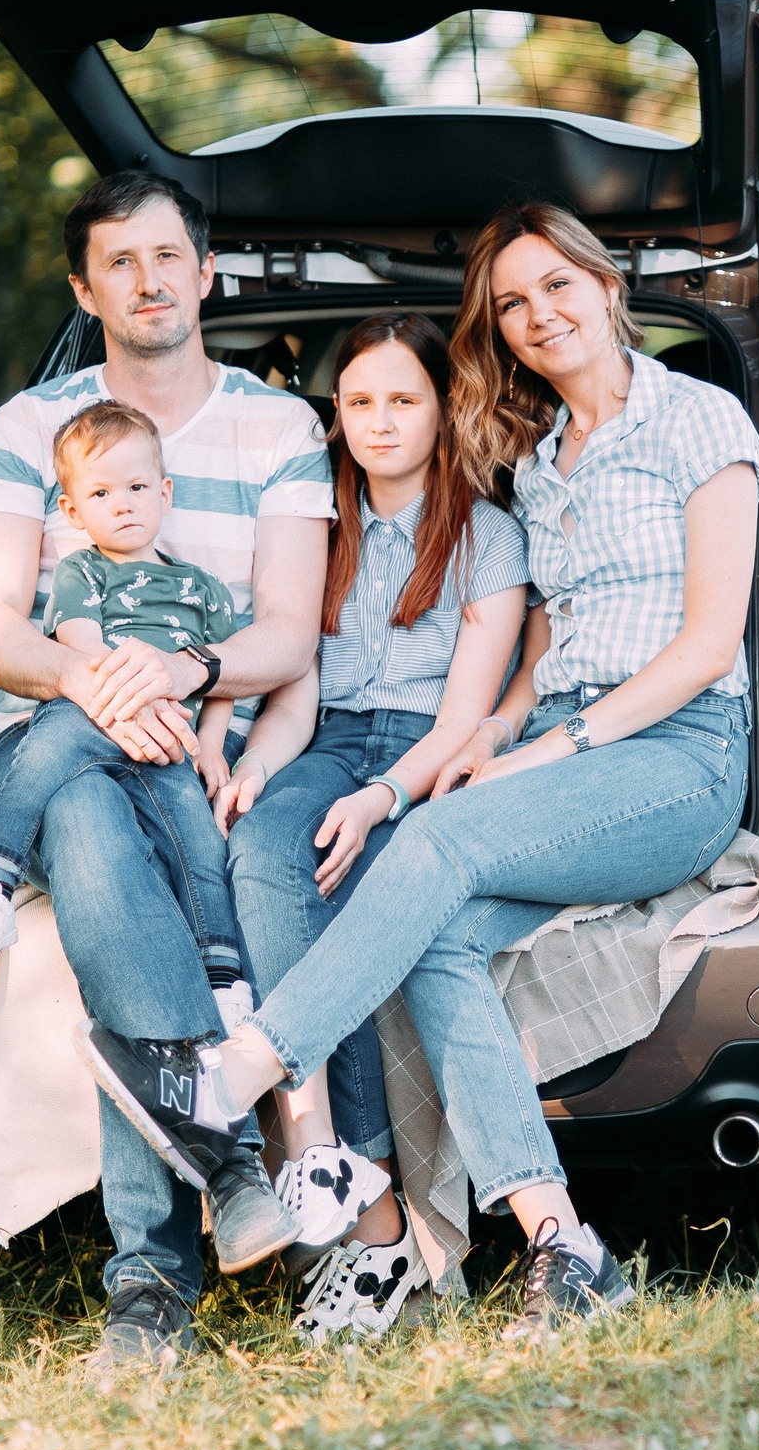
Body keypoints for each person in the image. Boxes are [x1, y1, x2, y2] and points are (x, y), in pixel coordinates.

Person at [83, 200, 759, 1344]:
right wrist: (498, 730)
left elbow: (706, 643)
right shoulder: (542, 463)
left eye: (556, 286)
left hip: (677, 751)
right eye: (511, 303)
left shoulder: (702, 420)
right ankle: (565, 1243)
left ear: (605, 286)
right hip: (558, 744)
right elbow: (548, 639)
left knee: (432, 843)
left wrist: (559, 742)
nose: (539, 314)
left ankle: (231, 1075)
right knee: (441, 930)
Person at [0, 170, 332, 1376]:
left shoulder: (279, 427)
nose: (148, 278)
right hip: (68, 735)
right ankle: (224, 1166)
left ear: (206, 272)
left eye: (167, 256)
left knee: (110, 849)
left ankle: (147, 1286)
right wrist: (93, 684)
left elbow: (288, 629)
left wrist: (179, 676)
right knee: (80, 803)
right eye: (118, 261)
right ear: (84, 287)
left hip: (197, 736)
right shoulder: (31, 425)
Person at [213, 312, 529, 1342]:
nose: (381, 422)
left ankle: (373, 1221)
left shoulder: (488, 533)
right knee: (265, 854)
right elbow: (290, 676)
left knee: (357, 899)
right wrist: (259, 764)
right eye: (358, 402)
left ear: (443, 409)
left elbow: (464, 719)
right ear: (333, 412)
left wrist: (384, 795)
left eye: (404, 399)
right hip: (316, 736)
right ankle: (347, 1184)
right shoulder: (313, 519)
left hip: (418, 760)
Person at [0, 402, 247, 1000]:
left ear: (164, 493)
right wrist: (132, 703)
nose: (124, 503)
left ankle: (224, 977)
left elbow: (220, 677)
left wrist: (211, 745)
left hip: (170, 738)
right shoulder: (82, 573)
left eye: (137, 487)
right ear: (72, 511)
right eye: (102, 493)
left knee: (197, 829)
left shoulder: (202, 588)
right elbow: (83, 656)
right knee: (46, 746)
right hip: (95, 713)